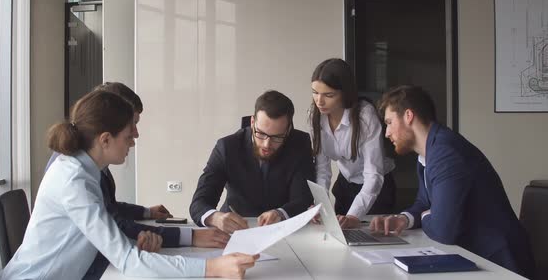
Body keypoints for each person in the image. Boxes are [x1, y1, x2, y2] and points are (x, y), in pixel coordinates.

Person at [0, 91, 258, 279]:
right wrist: (213, 268)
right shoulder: (74, 182)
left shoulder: (82, 170)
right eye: (127, 135)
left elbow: (98, 237)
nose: (133, 142)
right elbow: (127, 262)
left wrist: (130, 243)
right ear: (105, 139)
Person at [370, 85, 535, 278]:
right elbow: (424, 203)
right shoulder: (428, 153)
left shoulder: (445, 152)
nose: (387, 133)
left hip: (500, 262)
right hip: (475, 256)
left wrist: (427, 217)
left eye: (389, 122)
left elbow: (443, 230)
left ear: (408, 116)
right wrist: (405, 219)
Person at [44, 83, 225, 252]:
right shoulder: (75, 175)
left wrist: (146, 212)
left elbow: (109, 208)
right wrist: (189, 237)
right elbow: (114, 225)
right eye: (132, 124)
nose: (135, 134)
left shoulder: (86, 160)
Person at [190, 90, 315, 233]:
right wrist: (215, 218)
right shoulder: (227, 147)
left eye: (277, 137)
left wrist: (281, 213)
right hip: (235, 229)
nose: (267, 144)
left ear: (288, 131)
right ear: (252, 122)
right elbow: (199, 203)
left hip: (284, 230)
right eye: (261, 133)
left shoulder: (299, 144)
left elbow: (303, 198)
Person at [310, 58, 395, 228]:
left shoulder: (364, 116)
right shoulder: (316, 116)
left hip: (376, 188)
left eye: (328, 95)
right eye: (315, 92)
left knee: (371, 242)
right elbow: (323, 170)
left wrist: (354, 215)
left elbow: (373, 175)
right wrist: (320, 204)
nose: (319, 101)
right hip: (345, 184)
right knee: (339, 236)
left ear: (345, 93)